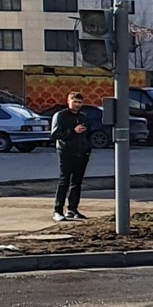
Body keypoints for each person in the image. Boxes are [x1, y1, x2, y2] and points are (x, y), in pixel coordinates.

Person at [49, 91, 96, 222]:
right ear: (68, 101)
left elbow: (88, 133)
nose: (77, 105)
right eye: (74, 102)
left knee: (77, 183)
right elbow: (55, 134)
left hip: (82, 152)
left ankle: (72, 209)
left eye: (79, 102)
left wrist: (87, 148)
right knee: (64, 181)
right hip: (66, 152)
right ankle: (58, 210)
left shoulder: (83, 117)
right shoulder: (61, 115)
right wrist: (72, 131)